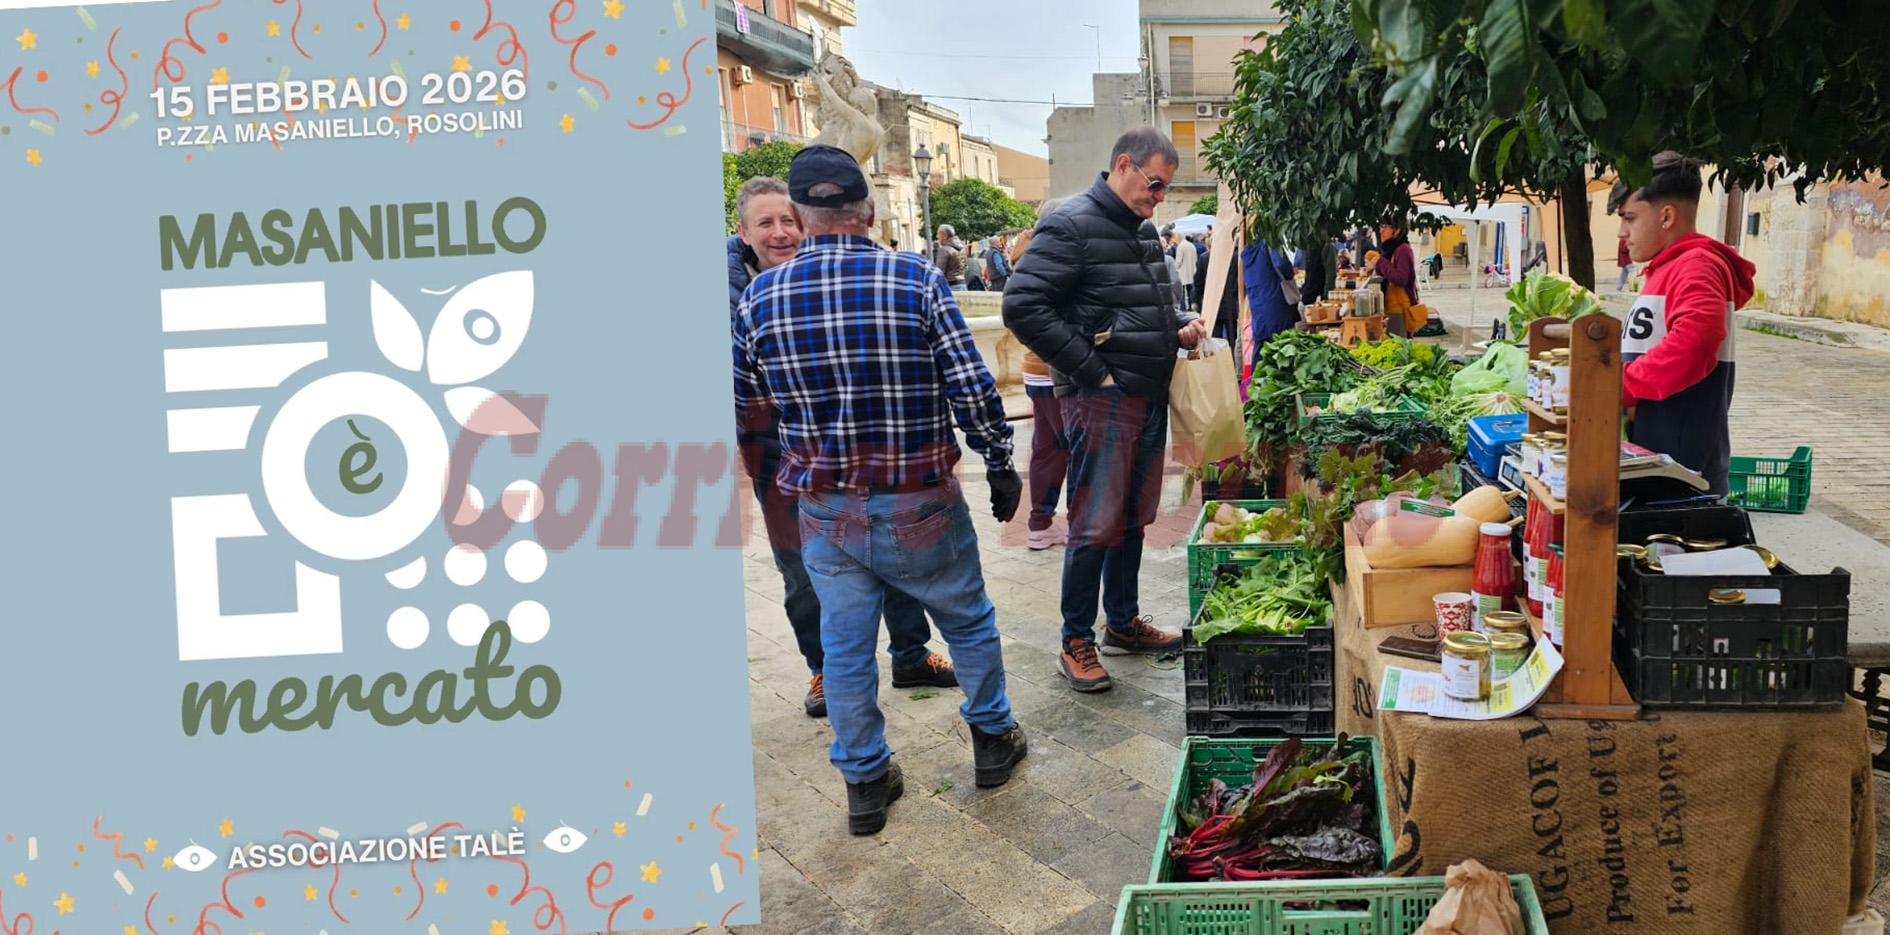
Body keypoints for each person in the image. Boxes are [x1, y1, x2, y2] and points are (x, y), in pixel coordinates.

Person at [734, 145, 1029, 835]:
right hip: (918, 498)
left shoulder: (759, 298)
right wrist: (1001, 460)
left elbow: (749, 407)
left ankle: (865, 781)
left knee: (843, 647)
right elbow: (971, 385)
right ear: (868, 210)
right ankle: (991, 742)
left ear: (801, 219)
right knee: (967, 619)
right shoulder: (915, 279)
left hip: (825, 506)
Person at [726, 177, 960, 720]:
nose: (781, 233)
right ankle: (824, 669)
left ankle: (910, 653)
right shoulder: (732, 292)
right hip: (777, 454)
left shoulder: (832, 275)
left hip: (861, 447)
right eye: (766, 223)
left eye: (789, 220)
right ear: (743, 232)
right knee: (800, 565)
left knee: (892, 541)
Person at [1002, 127, 1208, 694]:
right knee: (1095, 524)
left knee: (1132, 519)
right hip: (1100, 400)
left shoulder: (1140, 231)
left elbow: (1131, 307)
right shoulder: (1070, 223)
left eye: (1166, 187)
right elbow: (1022, 304)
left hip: (1145, 396)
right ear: (1124, 165)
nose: (1161, 196)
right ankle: (1075, 641)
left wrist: (1177, 328)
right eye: (1157, 184)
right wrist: (1093, 371)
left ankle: (1122, 622)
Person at [1607, 151, 1755, 495]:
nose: (1621, 232)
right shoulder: (1668, 268)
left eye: (1629, 218)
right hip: (1660, 461)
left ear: (1666, 216)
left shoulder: (1696, 267)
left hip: (1683, 471)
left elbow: (1695, 343)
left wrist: (1620, 386)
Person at [1006, 200, 1072, 551]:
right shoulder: (1054, 255)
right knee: (1075, 448)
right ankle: (1075, 524)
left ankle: (1041, 523)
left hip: (1034, 369)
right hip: (1057, 370)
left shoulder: (1024, 254)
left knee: (1047, 447)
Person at [1374, 221, 1424, 337]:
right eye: (1380, 227)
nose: (1381, 230)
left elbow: (1401, 278)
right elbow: (1384, 274)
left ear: (1397, 231)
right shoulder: (1390, 250)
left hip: (1399, 308)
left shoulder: (1403, 250)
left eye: (1384, 226)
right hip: (1389, 306)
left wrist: (1381, 262)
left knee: (1398, 346)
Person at [934, 224, 967, 289]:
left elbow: (939, 272)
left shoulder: (944, 250)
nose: (937, 236)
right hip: (962, 283)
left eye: (938, 234)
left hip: (950, 285)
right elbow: (965, 267)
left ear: (945, 236)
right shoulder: (962, 249)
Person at [1172, 232, 1198, 311]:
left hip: (1182, 272)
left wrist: (1175, 269)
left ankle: (1183, 308)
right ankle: (1190, 306)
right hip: (1192, 271)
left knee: (1182, 292)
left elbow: (1178, 260)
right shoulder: (1191, 245)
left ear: (1179, 238)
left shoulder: (1180, 246)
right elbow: (1196, 258)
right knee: (1190, 291)